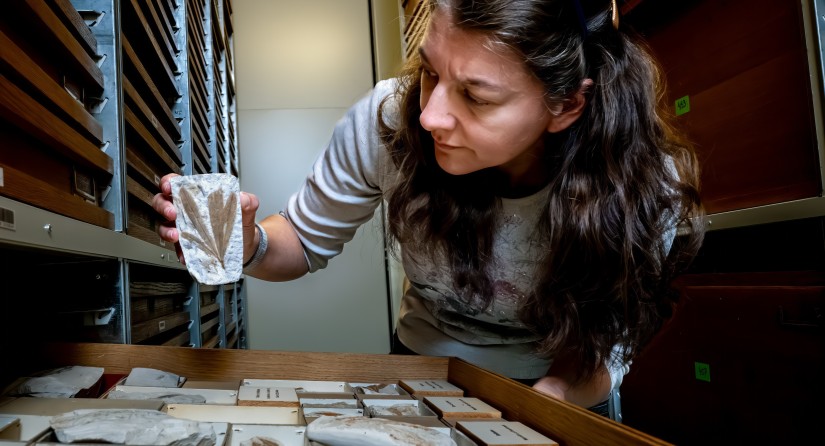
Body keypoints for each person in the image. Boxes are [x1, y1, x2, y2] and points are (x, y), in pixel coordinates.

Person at [153, 0, 704, 411]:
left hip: (564, 388)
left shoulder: (645, 186)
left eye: (477, 96)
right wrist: (250, 243)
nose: (431, 116)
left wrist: (545, 402)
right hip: (422, 365)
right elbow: (303, 237)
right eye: (432, 73)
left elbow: (607, 343)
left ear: (566, 105)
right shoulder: (389, 119)